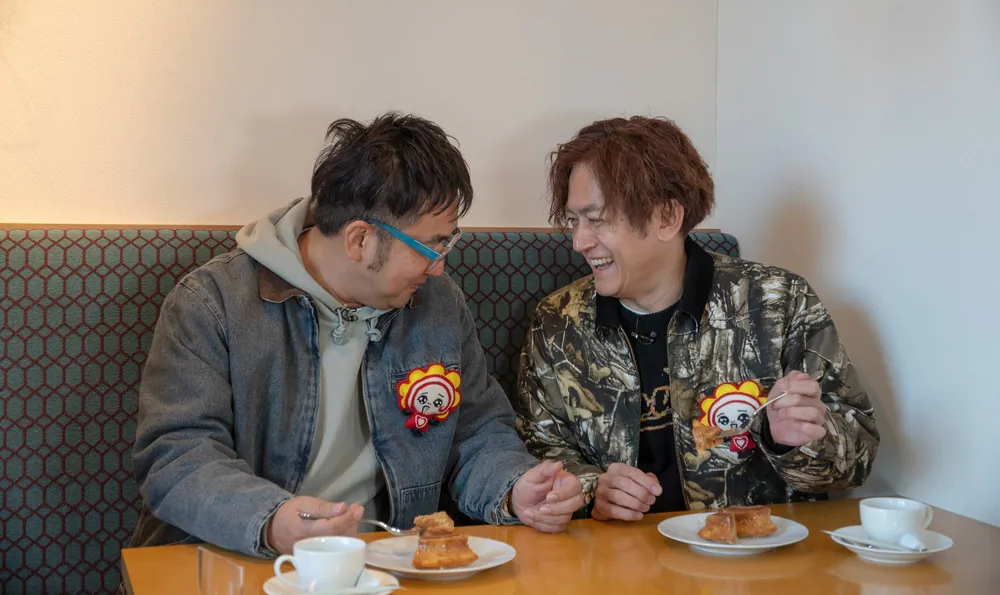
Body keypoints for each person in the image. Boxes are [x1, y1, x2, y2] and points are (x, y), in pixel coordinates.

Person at [130, 112, 584, 557]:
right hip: (232, 562)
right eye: (429, 246)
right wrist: (269, 520)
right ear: (359, 240)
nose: (439, 265)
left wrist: (514, 487)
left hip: (388, 564)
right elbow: (177, 456)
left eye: (448, 242)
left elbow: (476, 430)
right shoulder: (213, 303)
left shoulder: (437, 302)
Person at [515, 115, 879, 522]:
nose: (579, 241)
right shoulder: (559, 322)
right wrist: (591, 489)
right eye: (574, 220)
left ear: (667, 217)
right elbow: (537, 448)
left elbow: (857, 458)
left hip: (754, 552)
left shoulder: (778, 302)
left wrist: (795, 441)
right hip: (619, 553)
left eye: (597, 219)